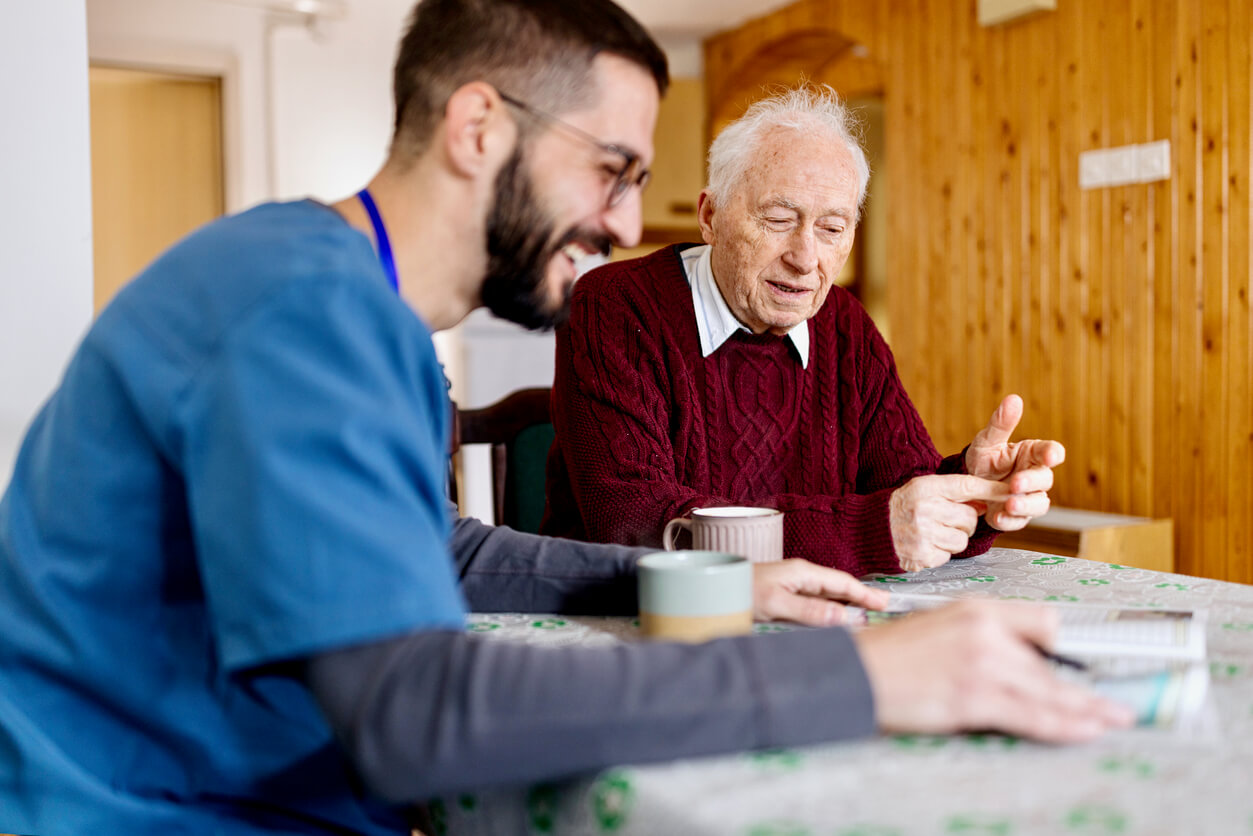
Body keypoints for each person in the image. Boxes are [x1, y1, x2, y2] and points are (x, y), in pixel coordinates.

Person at [0, 4, 1130, 835]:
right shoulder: (295, 308)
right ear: (479, 126)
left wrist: (691, 580)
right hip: (154, 811)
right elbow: (411, 709)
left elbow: (445, 549)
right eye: (609, 169)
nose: (630, 219)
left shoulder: (364, 315)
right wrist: (871, 679)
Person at [543, 85, 1064, 577]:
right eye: (777, 218)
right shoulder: (612, 307)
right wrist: (869, 530)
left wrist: (971, 493)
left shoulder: (845, 324)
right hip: (640, 627)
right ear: (710, 215)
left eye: (832, 229)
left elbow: (902, 491)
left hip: (805, 622)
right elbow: (635, 524)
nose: (805, 258)